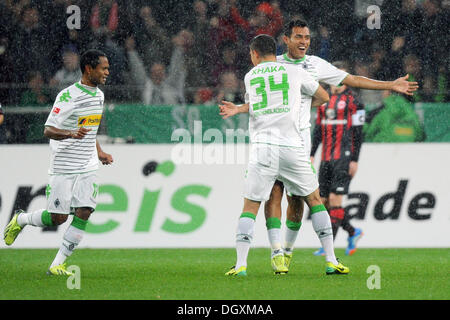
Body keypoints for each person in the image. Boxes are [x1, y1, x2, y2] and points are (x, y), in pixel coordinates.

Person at [219, 19, 419, 272]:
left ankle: (285, 253)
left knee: (296, 202)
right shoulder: (276, 64)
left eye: (307, 37)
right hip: (288, 143)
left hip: (295, 143)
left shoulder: (313, 64)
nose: (304, 42)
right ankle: (278, 252)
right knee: (276, 195)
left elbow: (353, 79)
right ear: (286, 40)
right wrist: (245, 108)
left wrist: (389, 84)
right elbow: (274, 101)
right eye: (298, 37)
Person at [224, 34, 349, 277]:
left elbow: (257, 106)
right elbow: (324, 97)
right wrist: (298, 105)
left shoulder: (250, 77)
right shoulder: (295, 72)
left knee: (251, 205)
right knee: (314, 200)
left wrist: (240, 108)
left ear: (255, 54)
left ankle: (241, 264)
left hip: (264, 148)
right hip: (292, 146)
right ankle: (331, 260)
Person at [3, 49, 113, 276]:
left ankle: (57, 264)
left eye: (108, 68)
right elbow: (48, 130)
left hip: (88, 164)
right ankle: (21, 219)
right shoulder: (68, 96)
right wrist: (71, 134)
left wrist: (99, 151)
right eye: (103, 68)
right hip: (64, 164)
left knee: (84, 211)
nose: (107, 73)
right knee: (58, 218)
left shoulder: (99, 95)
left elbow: (89, 131)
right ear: (88, 69)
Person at [310, 61, 364, 256]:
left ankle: (328, 246)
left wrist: (355, 160)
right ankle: (352, 231)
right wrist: (311, 153)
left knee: (335, 200)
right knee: (322, 201)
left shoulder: (355, 103)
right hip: (326, 158)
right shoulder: (323, 99)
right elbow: (318, 130)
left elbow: (359, 134)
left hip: (344, 157)